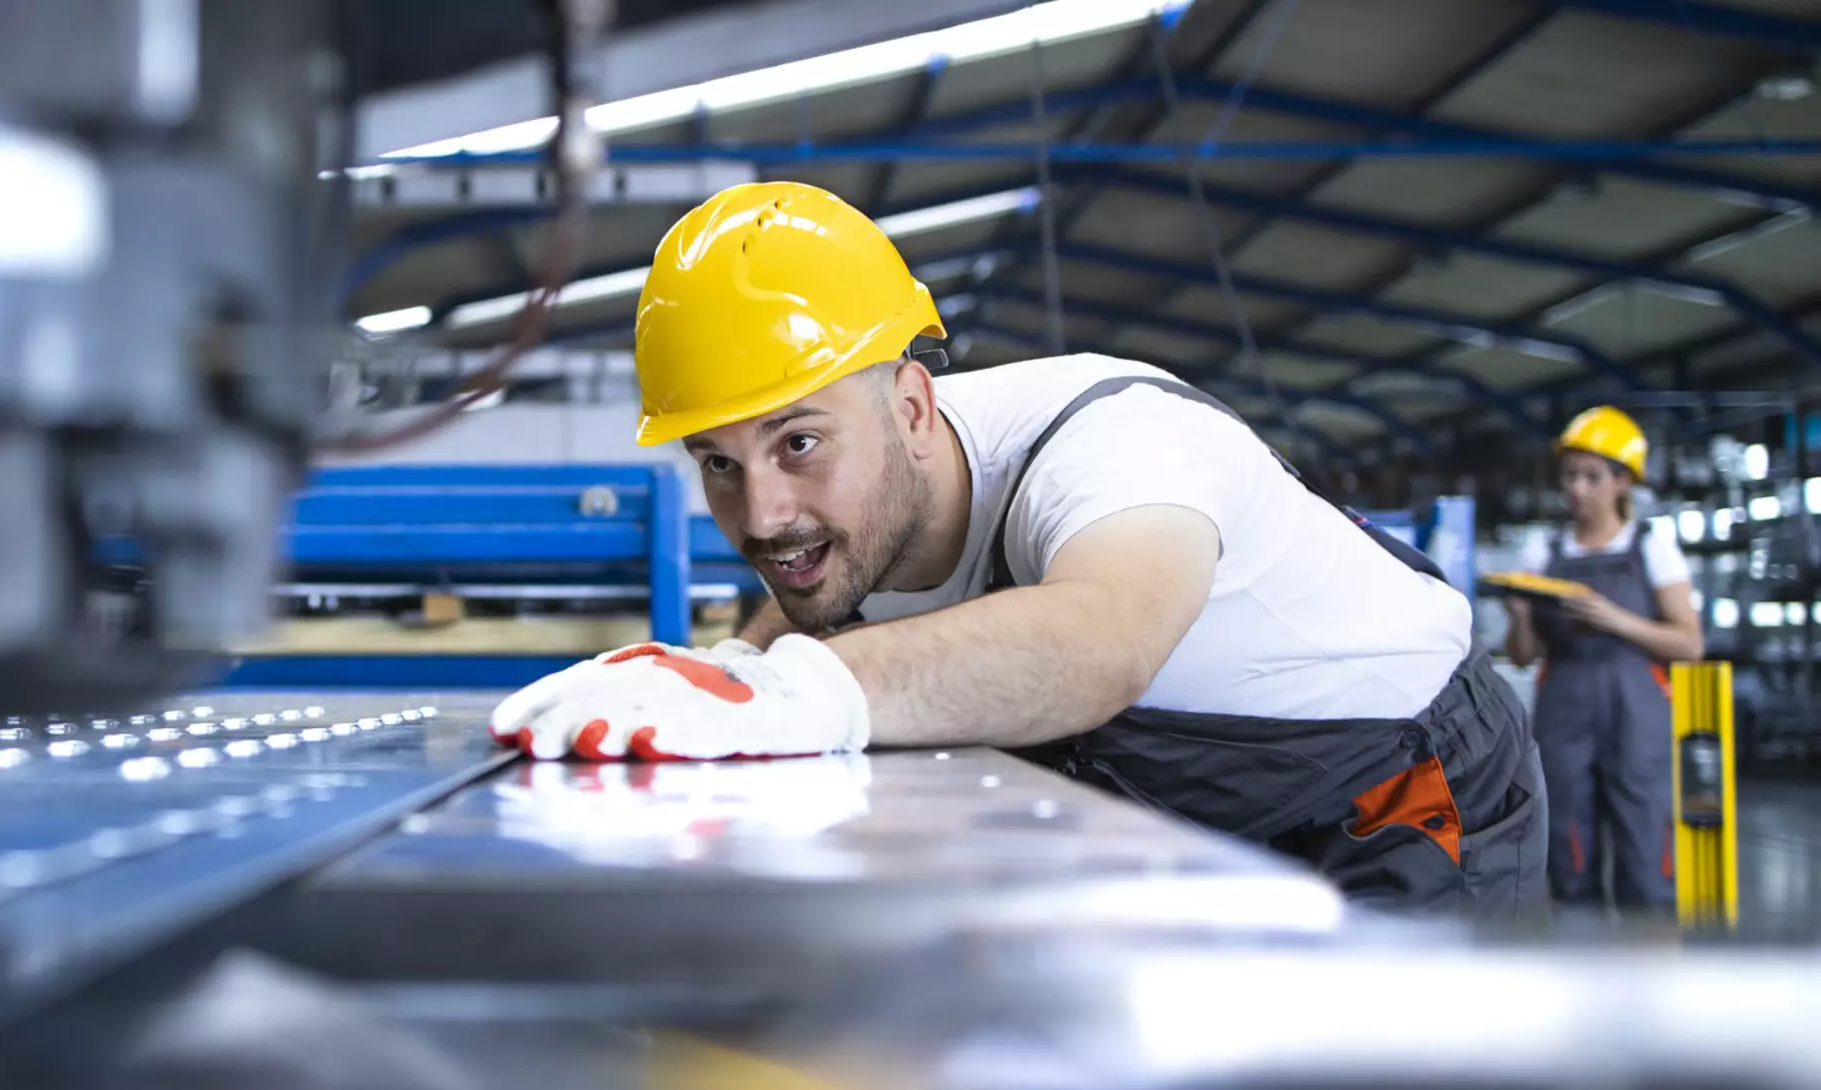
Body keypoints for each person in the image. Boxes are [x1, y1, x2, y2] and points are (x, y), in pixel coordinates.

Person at [489, 181, 1548, 919]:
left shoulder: (1111, 439)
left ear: (911, 404)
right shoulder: (855, 514)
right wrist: (727, 673)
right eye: (717, 463)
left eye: (798, 442)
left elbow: (1101, 637)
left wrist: (795, 690)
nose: (762, 513)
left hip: (1400, 790)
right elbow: (803, 603)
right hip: (1196, 815)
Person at [1500, 408, 1702, 912]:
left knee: (1645, 856)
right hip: (1564, 713)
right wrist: (1521, 615)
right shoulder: (1542, 551)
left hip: (1637, 715)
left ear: (1622, 482)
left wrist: (1613, 618)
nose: (1577, 488)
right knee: (1568, 857)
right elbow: (1522, 657)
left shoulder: (1653, 549)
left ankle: (1652, 979)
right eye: (1570, 475)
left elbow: (1689, 644)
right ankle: (1581, 978)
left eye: (1592, 476)